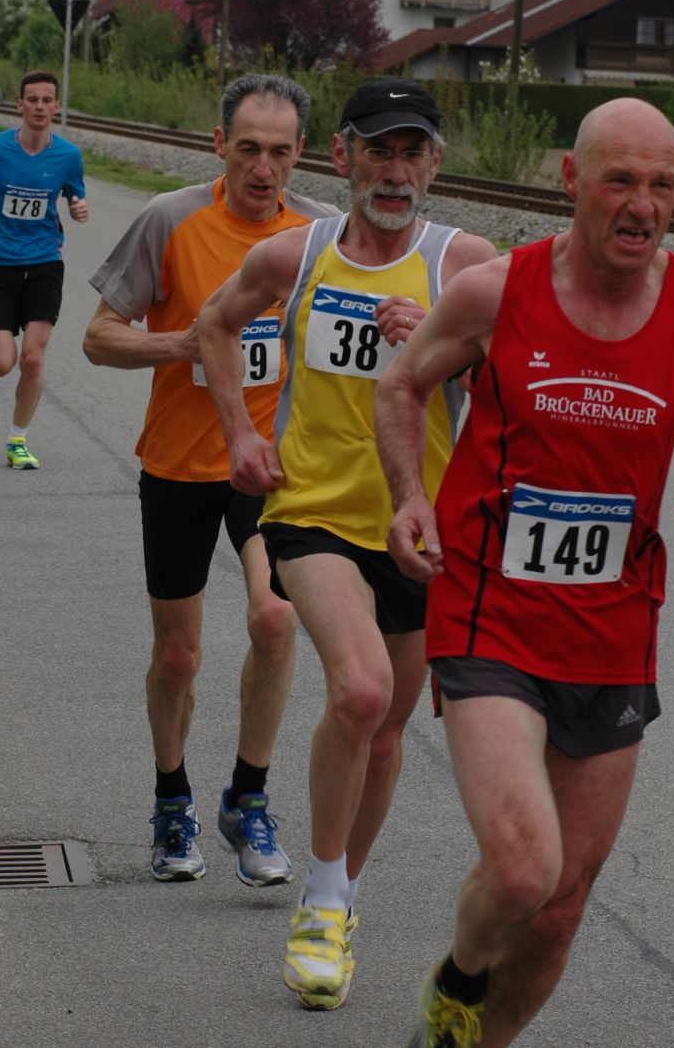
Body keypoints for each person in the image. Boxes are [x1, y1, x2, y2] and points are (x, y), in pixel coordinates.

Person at [375, 97, 674, 1048]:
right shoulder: (496, 292)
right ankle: (458, 981)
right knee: (524, 869)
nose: (642, 206)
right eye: (620, 181)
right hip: (489, 612)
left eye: (662, 186)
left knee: (560, 910)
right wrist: (410, 496)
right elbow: (402, 383)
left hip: (614, 632)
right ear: (570, 180)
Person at [197, 78, 496, 1011]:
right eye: (378, 151)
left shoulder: (465, 266)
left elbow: (513, 393)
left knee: (390, 727)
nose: (395, 172)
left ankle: (344, 891)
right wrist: (241, 437)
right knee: (360, 691)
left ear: (435, 164)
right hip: (311, 513)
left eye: (413, 153)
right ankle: (321, 903)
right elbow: (213, 327)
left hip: (419, 528)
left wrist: (444, 347)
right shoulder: (299, 255)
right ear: (343, 157)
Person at [83, 74, 336, 888]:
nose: (264, 169)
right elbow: (98, 337)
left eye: (281, 152)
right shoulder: (171, 220)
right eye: (249, 149)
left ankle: (248, 799)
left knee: (276, 618)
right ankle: (171, 802)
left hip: (271, 467)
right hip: (181, 464)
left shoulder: (320, 235)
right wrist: (186, 344)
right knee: (179, 656)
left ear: (301, 153)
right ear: (218, 144)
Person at [0, 70, 88, 469]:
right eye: (32, 100)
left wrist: (78, 208)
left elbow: (76, 197)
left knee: (32, 359)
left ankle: (18, 439)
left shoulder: (68, 155)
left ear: (57, 106)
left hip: (45, 263)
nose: (39, 107)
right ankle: (1, 350)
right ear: (19, 105)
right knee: (1, 364)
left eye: (47, 100)